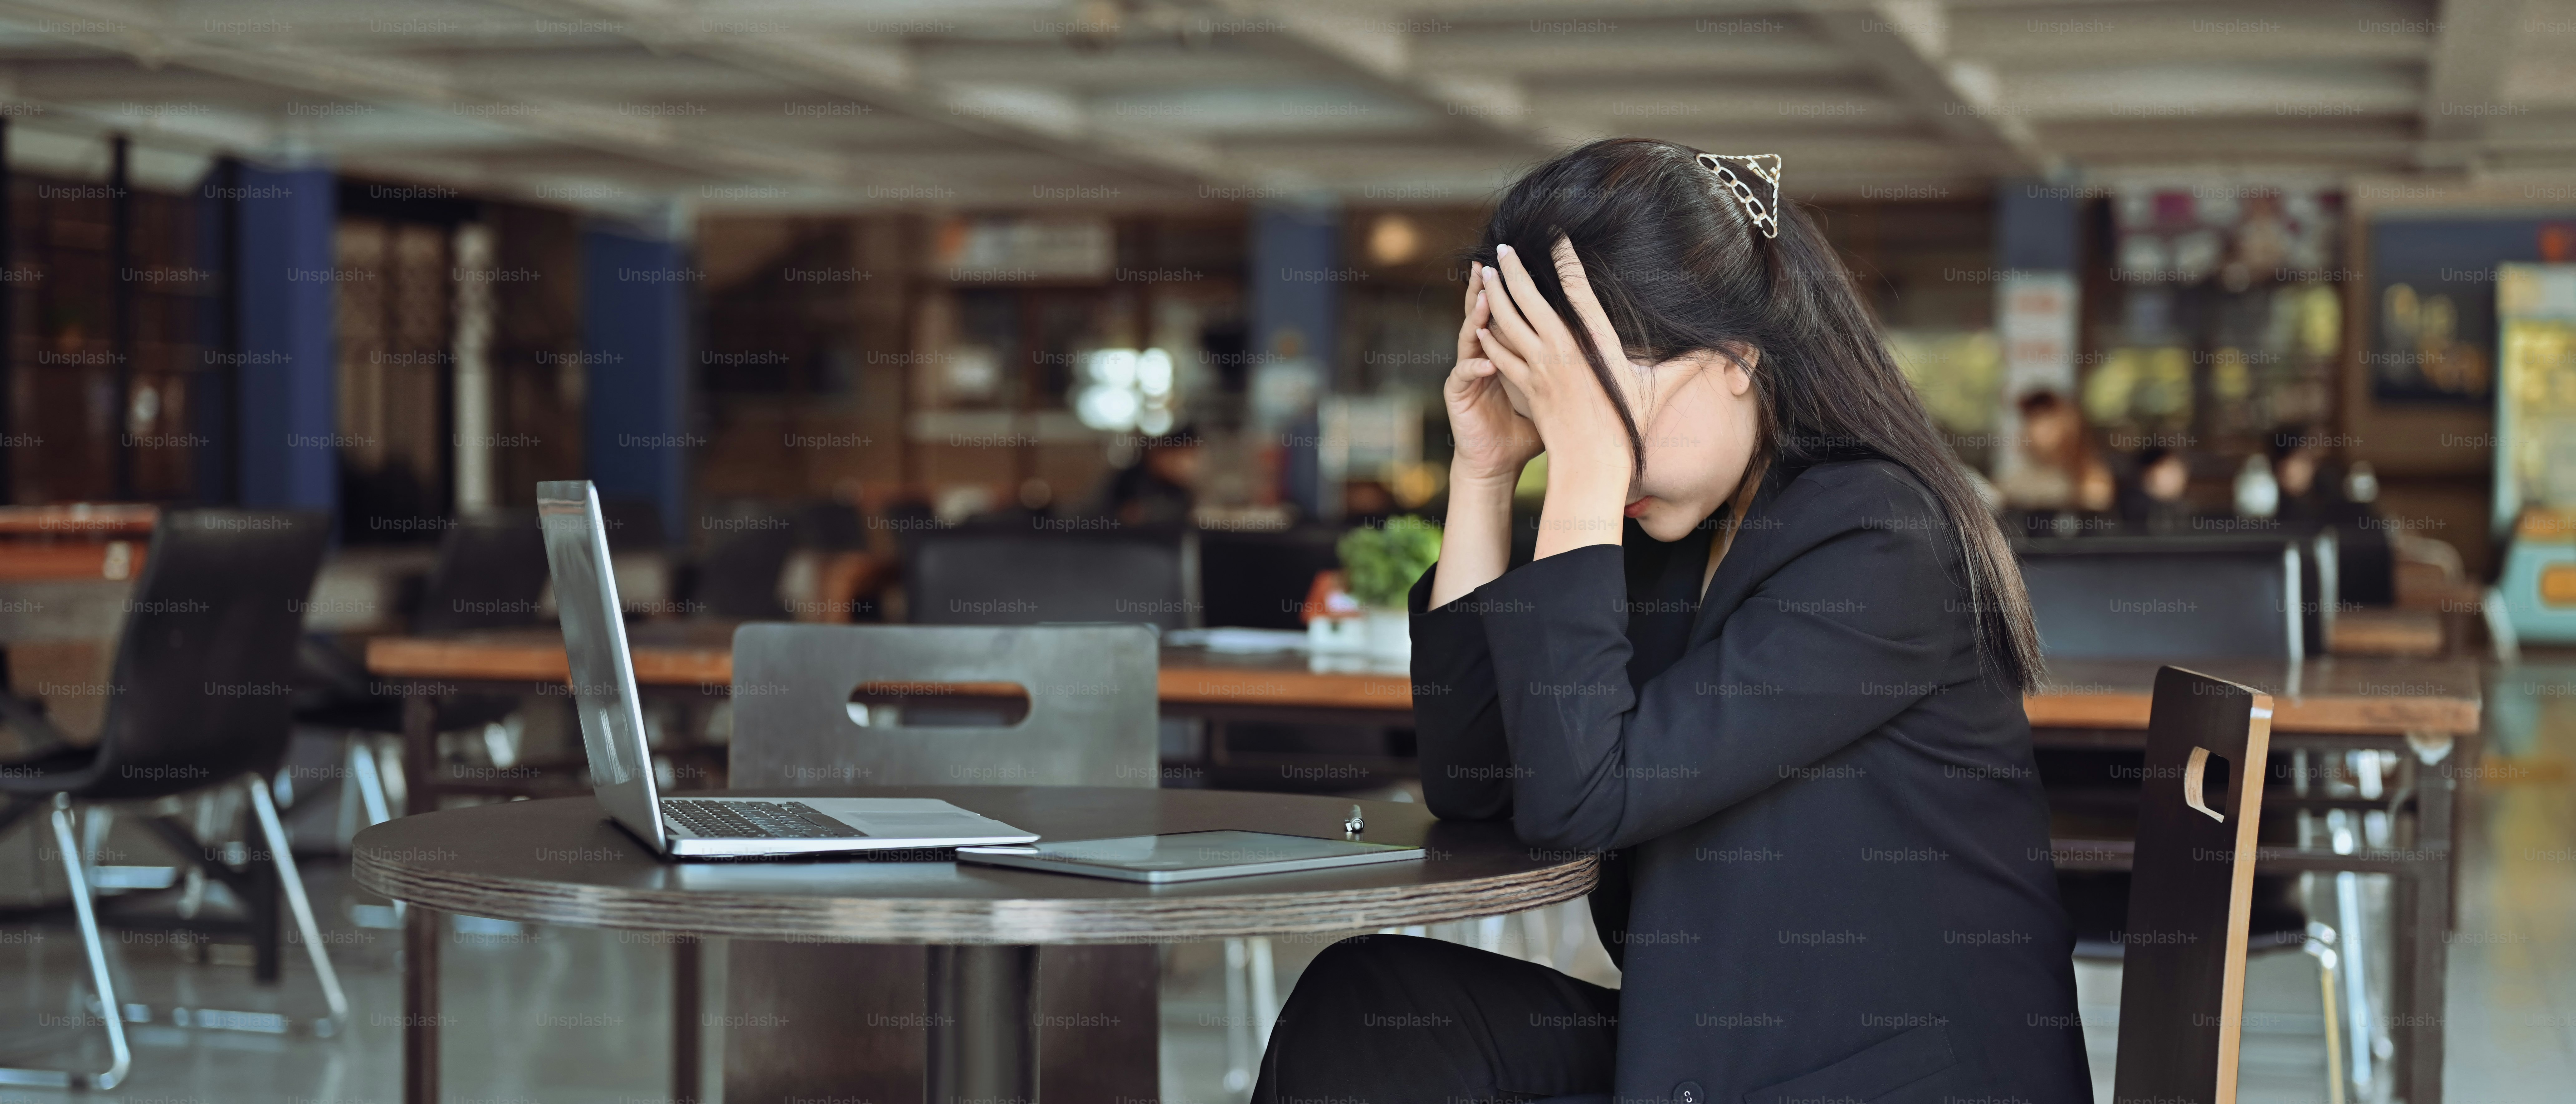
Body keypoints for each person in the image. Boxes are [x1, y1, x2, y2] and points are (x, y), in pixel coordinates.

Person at [1254, 139, 2090, 1104]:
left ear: (1737, 355)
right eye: (1554, 413)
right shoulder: (1672, 534)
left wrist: (1585, 473)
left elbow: (1582, 798)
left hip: (1880, 1078)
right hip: (1717, 1049)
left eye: (1599, 410)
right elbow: (1475, 782)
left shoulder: (1881, 538)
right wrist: (1484, 473)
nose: (1582, 450)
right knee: (1372, 1004)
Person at [1094, 427, 1202, 526]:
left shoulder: (1180, 493)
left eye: (1191, 460)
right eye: (1178, 460)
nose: (1184, 468)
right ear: (1161, 451)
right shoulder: (1130, 480)